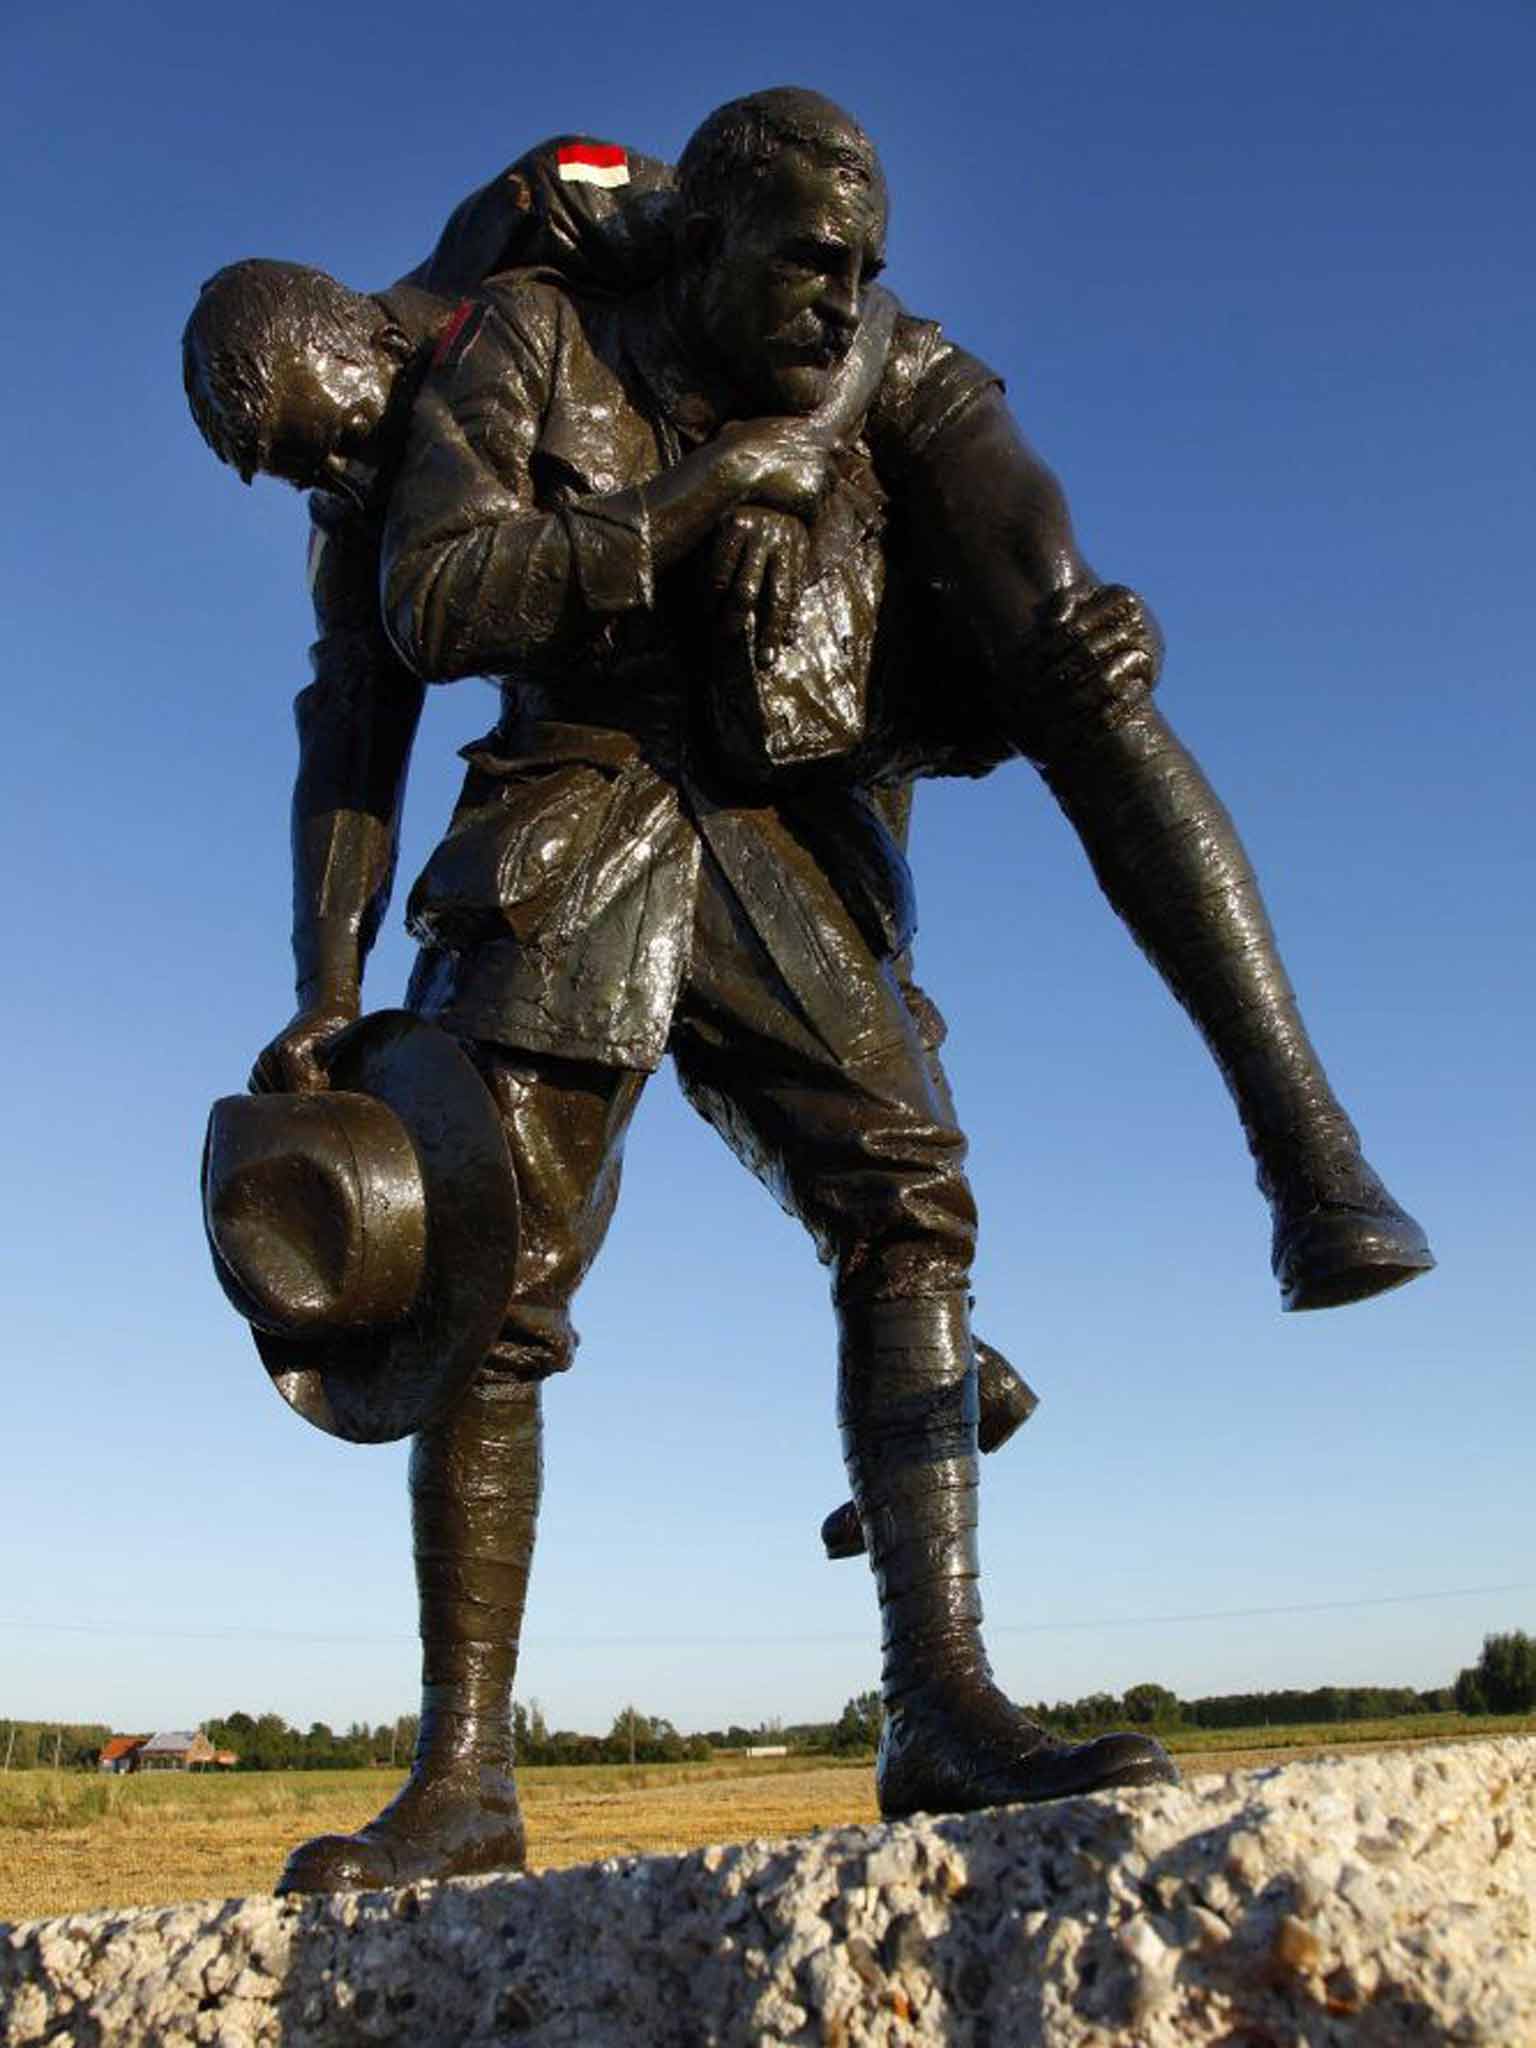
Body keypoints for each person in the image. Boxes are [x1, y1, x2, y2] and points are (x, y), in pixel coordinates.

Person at [188, 90, 1430, 1893]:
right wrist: (329, 981)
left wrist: (1052, 651)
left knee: (909, 1197)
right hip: (573, 817)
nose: (838, 301)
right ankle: (463, 1777)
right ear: (709, 250)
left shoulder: (816, 332)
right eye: (810, 264)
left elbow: (961, 572)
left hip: (782, 829)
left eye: (863, 269)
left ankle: (940, 1702)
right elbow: (418, 621)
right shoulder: (524, 338)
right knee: (490, 1263)